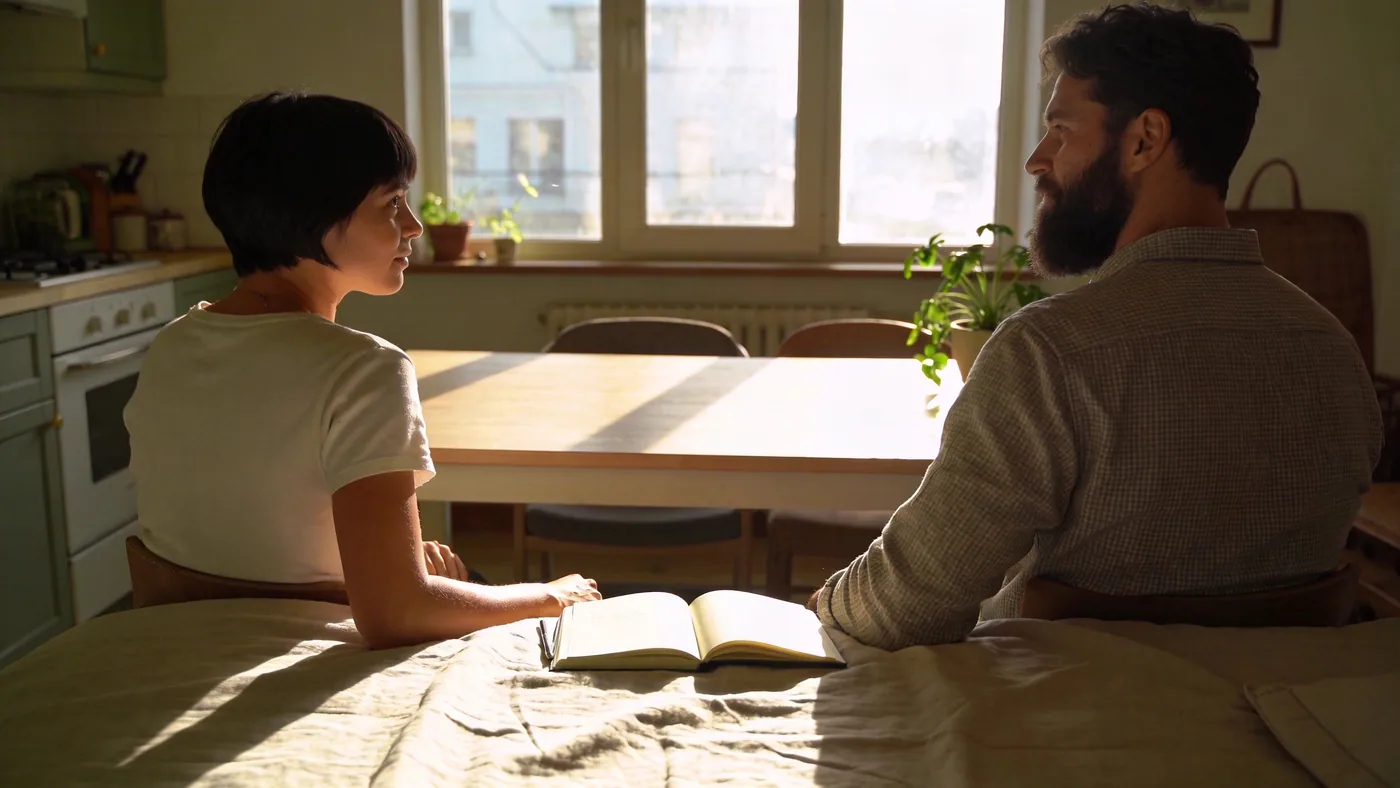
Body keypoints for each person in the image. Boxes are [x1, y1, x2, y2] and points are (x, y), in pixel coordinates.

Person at [808, 3, 1383, 650]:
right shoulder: (1333, 351)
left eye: (1059, 128)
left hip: (1074, 731)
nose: (1036, 158)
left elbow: (903, 608)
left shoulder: (1051, 352)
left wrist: (832, 602)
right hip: (1286, 726)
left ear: (1144, 139)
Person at [125, 92, 600, 649]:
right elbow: (396, 613)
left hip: (171, 641)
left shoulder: (173, 344)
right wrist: (552, 595)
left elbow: (247, 524)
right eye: (391, 203)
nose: (415, 225)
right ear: (315, 217)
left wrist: (383, 562)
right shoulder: (365, 368)